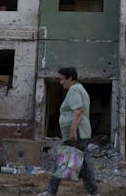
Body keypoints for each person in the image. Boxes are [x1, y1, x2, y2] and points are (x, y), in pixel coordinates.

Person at [38, 67, 99, 196]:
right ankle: (94, 192)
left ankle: (51, 192)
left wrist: (72, 131)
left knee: (61, 161)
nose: (60, 82)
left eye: (62, 79)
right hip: (80, 133)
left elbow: (78, 110)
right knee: (84, 165)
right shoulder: (79, 88)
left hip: (75, 134)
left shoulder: (74, 89)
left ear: (70, 78)